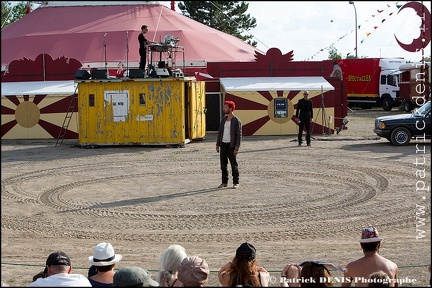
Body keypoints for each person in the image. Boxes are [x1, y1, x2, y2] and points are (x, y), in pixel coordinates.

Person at [216, 100, 242, 189]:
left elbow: (239, 135)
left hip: (231, 146)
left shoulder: (236, 121)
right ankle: (224, 182)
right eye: (224, 107)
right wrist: (217, 144)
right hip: (223, 144)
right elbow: (220, 132)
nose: (224, 109)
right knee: (223, 165)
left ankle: (236, 182)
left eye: (225, 107)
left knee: (233, 165)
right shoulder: (223, 120)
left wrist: (237, 148)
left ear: (230, 109)